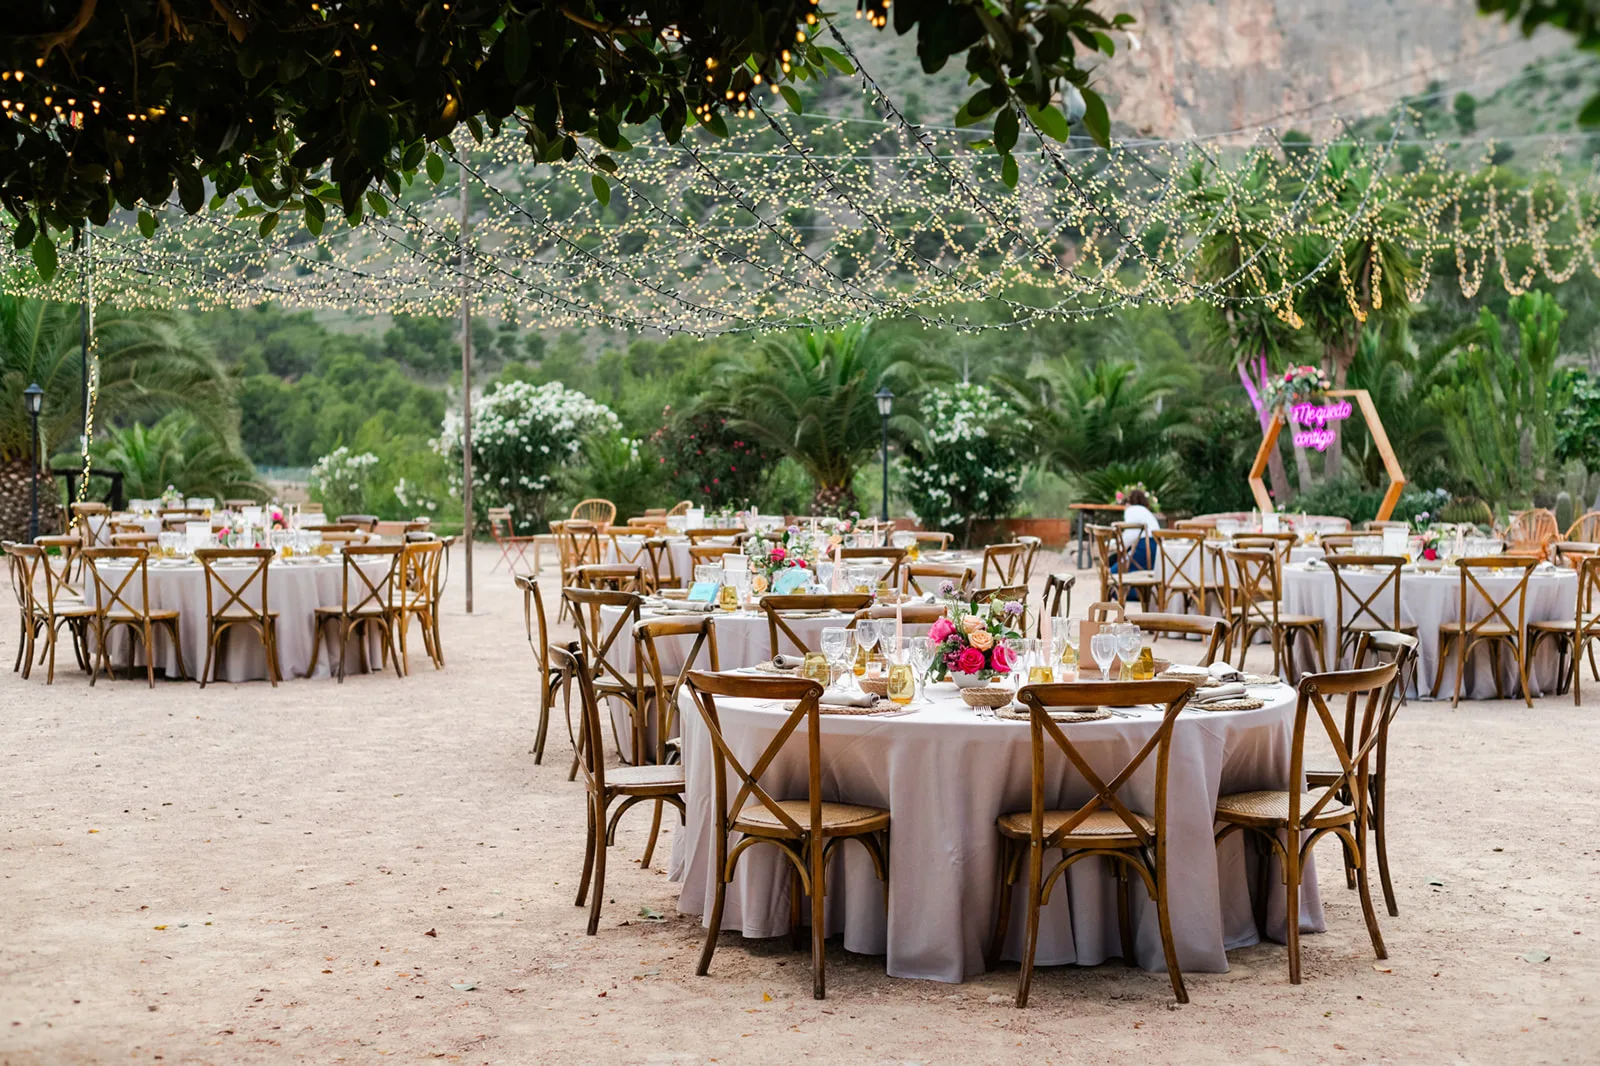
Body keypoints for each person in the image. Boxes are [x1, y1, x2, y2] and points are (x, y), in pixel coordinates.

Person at [1118, 489, 1159, 572]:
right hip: (1156, 549)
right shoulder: (1146, 512)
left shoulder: (1131, 510)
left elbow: (1131, 533)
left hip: (1144, 547)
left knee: (1114, 572)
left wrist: (1120, 546)